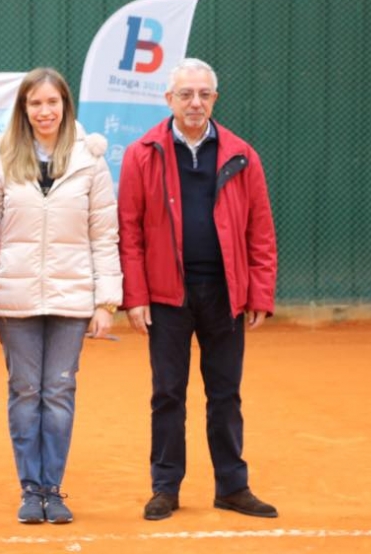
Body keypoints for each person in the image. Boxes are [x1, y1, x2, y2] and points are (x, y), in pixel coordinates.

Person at [118, 58, 278, 521]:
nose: (195, 102)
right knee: (168, 392)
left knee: (225, 394)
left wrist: (260, 292)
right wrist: (136, 295)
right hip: (168, 296)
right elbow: (129, 231)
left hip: (225, 294)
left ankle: (232, 486)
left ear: (214, 99)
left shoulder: (242, 154)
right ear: (168, 99)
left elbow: (260, 231)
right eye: (185, 94)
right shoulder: (141, 152)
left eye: (204, 94)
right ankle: (165, 488)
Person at [0, 68, 122, 524]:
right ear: (24, 109)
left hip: (72, 299)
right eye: (35, 103)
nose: (44, 111)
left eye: (52, 103)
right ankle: (29, 490)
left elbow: (105, 234)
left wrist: (106, 301)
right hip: (15, 299)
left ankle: (53, 490)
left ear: (66, 106)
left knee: (58, 391)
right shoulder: (3, 157)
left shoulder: (90, 160)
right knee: (25, 391)